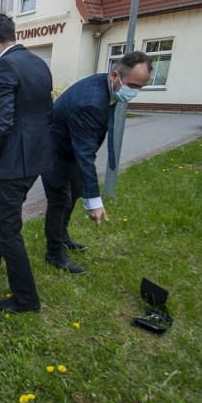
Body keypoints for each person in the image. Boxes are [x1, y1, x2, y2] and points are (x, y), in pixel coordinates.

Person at [0, 13, 54, 313]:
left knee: (9, 230)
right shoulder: (39, 65)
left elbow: (2, 121)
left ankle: (26, 298)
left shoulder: (3, 69)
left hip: (12, 164)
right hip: (35, 162)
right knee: (5, 217)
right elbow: (47, 113)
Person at [41, 51, 153, 274]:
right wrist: (95, 201)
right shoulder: (91, 102)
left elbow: (83, 149)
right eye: (133, 85)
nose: (134, 92)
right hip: (53, 151)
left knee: (73, 193)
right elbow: (85, 153)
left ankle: (62, 237)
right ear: (115, 76)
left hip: (69, 149)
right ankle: (54, 253)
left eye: (140, 87)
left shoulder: (106, 84)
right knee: (60, 201)